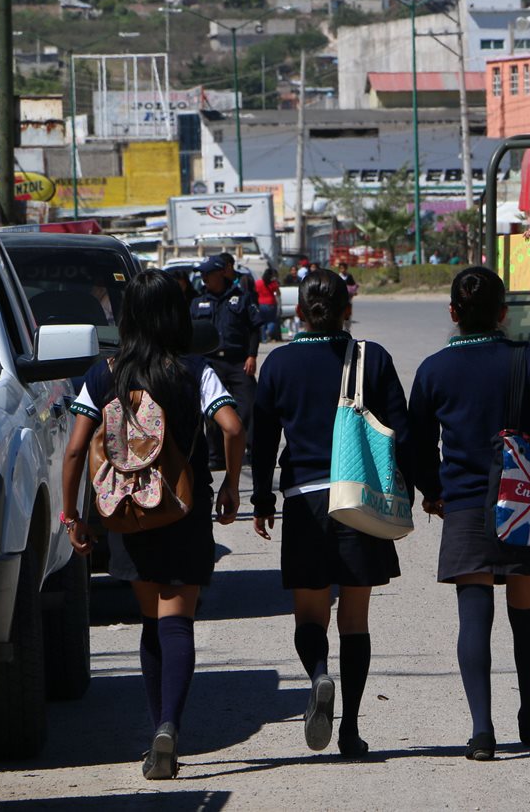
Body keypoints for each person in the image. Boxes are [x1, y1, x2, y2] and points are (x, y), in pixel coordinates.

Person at [60, 269, 244, 780]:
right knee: (177, 618)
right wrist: (231, 484)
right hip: (182, 511)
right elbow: (231, 425)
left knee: (150, 623)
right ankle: (170, 726)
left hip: (127, 513)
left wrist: (73, 515)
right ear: (176, 316)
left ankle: (154, 731)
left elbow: (76, 448)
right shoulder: (195, 370)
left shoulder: (105, 373)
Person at [407, 266, 530, 761]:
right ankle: (529, 708)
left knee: (473, 616)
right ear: (503, 313)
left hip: (463, 504)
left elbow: (415, 445)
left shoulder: (434, 370)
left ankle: (482, 731)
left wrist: (432, 490)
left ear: (454, 313)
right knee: (527, 614)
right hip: (526, 503)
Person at [251, 268, 408, 758]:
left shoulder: (278, 365)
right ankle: (351, 729)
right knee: (355, 619)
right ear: (348, 309)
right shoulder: (372, 359)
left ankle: (320, 675)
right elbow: (401, 431)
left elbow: (262, 440)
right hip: (358, 498)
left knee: (310, 615)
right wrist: (425, 488)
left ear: (300, 311)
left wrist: (262, 499)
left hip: (305, 502)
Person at [190, 256, 261, 468]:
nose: (203, 278)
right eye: (201, 274)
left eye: (207, 274)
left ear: (220, 273)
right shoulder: (197, 302)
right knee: (212, 411)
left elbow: (255, 328)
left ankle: (251, 451)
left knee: (249, 405)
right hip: (210, 363)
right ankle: (216, 456)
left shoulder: (242, 298)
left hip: (238, 361)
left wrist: (252, 355)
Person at [255, 267, 281, 343]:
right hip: (271, 303)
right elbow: (278, 293)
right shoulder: (273, 284)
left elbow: (255, 292)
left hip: (260, 303)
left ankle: (263, 338)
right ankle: (268, 332)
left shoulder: (258, 282)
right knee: (271, 320)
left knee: (262, 321)